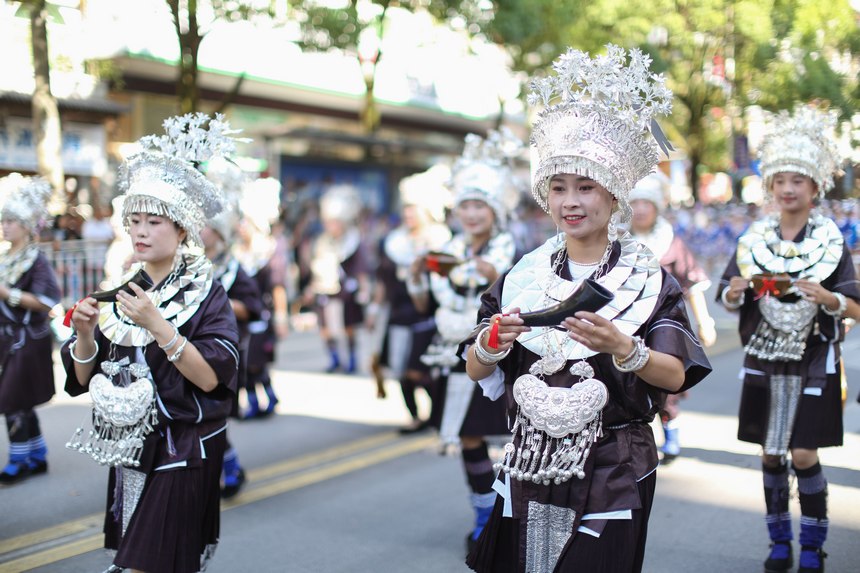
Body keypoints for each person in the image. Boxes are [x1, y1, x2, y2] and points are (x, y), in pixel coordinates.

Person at [463, 45, 711, 573]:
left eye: (586, 187)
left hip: (615, 461)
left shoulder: (647, 278)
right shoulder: (522, 277)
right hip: (529, 462)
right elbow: (475, 367)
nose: (571, 201)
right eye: (559, 188)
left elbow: (674, 373)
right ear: (545, 197)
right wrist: (491, 342)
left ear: (615, 196)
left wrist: (625, 348)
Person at [62, 113, 241, 573]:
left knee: (148, 565)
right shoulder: (122, 292)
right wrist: (84, 333)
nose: (140, 231)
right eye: (134, 220)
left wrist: (160, 326)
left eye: (154, 221)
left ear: (181, 228)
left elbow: (212, 378)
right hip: (131, 447)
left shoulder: (208, 292)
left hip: (184, 443)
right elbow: (84, 378)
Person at [717, 105, 856, 573]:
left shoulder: (831, 240)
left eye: (799, 180)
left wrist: (830, 299)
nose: (789, 188)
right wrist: (735, 290)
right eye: (781, 180)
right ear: (770, 187)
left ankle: (813, 545)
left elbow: (855, 305)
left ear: (816, 187)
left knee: (802, 452)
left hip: (814, 356)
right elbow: (726, 291)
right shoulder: (753, 238)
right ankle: (779, 541)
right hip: (764, 355)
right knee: (772, 453)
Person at [411, 129, 522, 551]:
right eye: (465, 205)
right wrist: (418, 277)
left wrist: (462, 266)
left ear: (494, 210)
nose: (472, 214)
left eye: (480, 205)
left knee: (513, 441)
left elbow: (490, 281)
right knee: (469, 438)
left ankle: (510, 509)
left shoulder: (511, 249)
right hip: (453, 354)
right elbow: (426, 303)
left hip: (498, 353)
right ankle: (483, 512)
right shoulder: (447, 249)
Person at [629, 173, 716, 462]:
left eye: (646, 203)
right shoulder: (614, 239)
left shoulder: (671, 242)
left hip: (663, 327)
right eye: (635, 202)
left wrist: (704, 322)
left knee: (666, 387)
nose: (640, 209)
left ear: (657, 207)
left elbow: (691, 284)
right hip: (626, 326)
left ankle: (672, 437)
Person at [369, 166, 451, 431]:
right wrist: (374, 308)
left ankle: (437, 414)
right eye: (405, 209)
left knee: (420, 371)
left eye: (413, 209)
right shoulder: (393, 242)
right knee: (402, 373)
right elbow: (383, 279)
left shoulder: (440, 241)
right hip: (398, 314)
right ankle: (416, 417)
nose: (408, 214)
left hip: (427, 316)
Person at [203, 158, 265, 498]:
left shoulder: (232, 270)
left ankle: (230, 466)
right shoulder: (190, 265)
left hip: (224, 350)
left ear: (220, 233)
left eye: (207, 227)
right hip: (190, 348)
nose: (200, 231)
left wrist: (217, 302)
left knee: (214, 414)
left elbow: (252, 306)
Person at [0, 174, 61, 484]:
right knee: (19, 400)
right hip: (6, 341)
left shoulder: (36, 260)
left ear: (26, 224)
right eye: (4, 220)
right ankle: (37, 456)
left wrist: (6, 293)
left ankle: (19, 460)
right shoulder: (4, 257)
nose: (5, 225)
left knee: (11, 399)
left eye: (11, 220)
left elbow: (47, 300)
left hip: (27, 340)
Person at [232, 177, 285, 418]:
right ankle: (263, 399)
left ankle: (265, 400)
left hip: (263, 317)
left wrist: (282, 317)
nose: (242, 227)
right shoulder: (238, 253)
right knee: (245, 361)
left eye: (247, 223)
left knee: (255, 361)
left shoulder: (269, 250)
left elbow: (277, 286)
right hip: (244, 319)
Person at [304, 185, 371, 374]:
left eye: (334, 222)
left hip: (346, 293)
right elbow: (316, 267)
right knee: (325, 329)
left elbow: (361, 270)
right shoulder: (322, 242)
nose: (330, 226)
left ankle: (351, 359)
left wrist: (364, 291)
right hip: (324, 291)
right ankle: (334, 359)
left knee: (348, 328)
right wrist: (311, 287)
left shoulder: (355, 241)